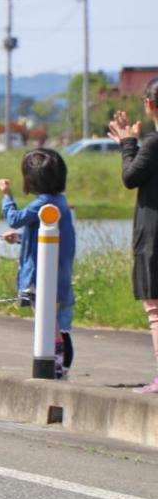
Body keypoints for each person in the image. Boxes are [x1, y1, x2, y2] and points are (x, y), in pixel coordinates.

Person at [0, 147, 76, 378]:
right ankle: (60, 368)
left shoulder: (42, 203)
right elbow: (50, 238)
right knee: (58, 325)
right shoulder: (60, 202)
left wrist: (6, 195)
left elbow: (14, 218)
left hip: (42, 276)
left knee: (49, 324)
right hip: (59, 273)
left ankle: (55, 368)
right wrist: (22, 238)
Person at [109, 79, 158, 392]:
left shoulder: (153, 144)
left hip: (154, 234)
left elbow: (130, 177)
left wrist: (128, 144)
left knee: (155, 309)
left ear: (149, 104)